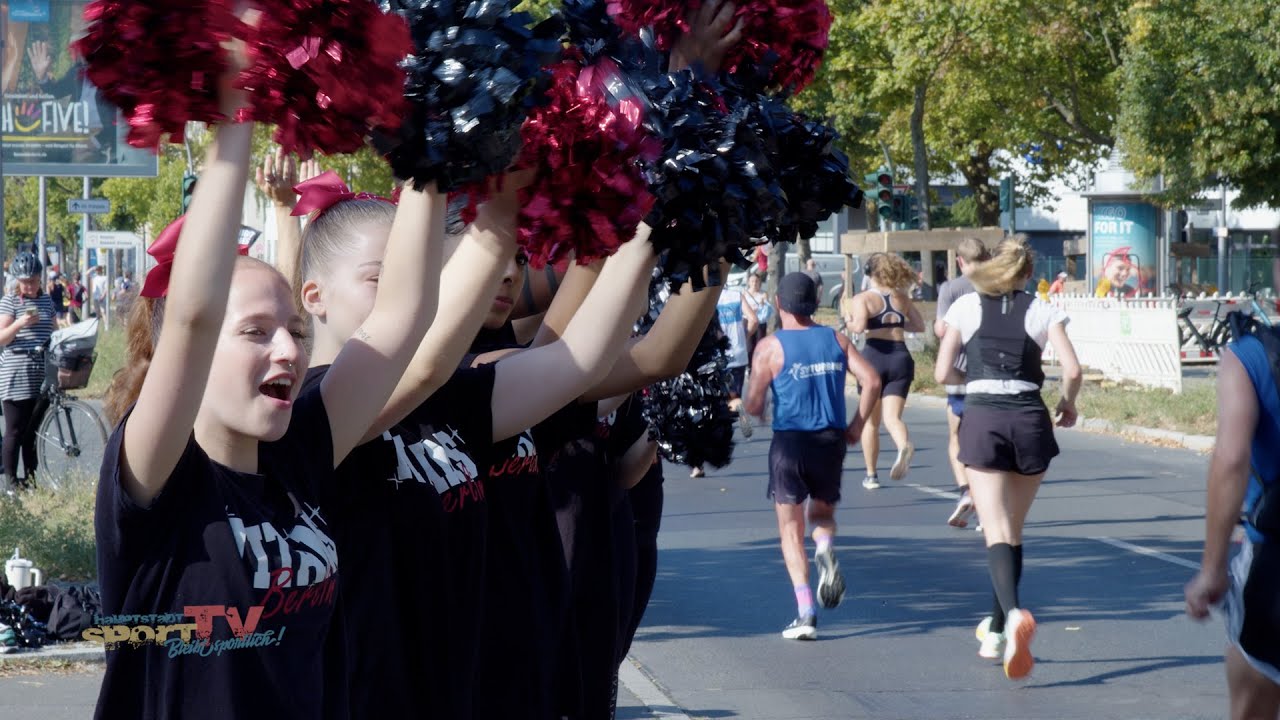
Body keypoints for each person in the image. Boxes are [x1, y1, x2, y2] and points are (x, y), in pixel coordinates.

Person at [93, 57, 447, 719]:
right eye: (255, 332)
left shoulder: (302, 452)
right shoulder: (156, 481)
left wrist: (434, 148)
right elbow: (196, 316)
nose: (289, 346)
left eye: (293, 327)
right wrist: (234, 105)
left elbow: (406, 318)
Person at [934, 236, 1081, 680]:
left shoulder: (966, 307)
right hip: (1030, 418)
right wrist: (1068, 403)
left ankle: (1013, 614)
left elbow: (942, 372)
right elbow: (1072, 370)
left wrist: (973, 375)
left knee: (995, 529)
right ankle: (996, 630)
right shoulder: (1042, 310)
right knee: (1013, 531)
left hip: (983, 416)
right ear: (1026, 273)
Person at [743, 272, 879, 640]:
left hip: (790, 444)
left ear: (779, 304)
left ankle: (806, 613)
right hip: (830, 441)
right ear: (815, 303)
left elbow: (754, 404)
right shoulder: (836, 338)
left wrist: (752, 409)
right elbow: (873, 381)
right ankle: (825, 548)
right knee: (821, 516)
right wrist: (856, 426)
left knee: (790, 530)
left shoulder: (770, 346)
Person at [1185, 261, 1280, 719]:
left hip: (1275, 562)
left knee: (1253, 698)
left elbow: (1231, 459)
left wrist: (1212, 568)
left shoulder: (1251, 356)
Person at [845, 252, 924, 489]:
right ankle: (903, 445)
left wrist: (847, 319)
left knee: (871, 422)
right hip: (900, 356)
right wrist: (897, 323)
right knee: (893, 417)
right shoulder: (902, 298)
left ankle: (871, 475)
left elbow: (858, 328)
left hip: (874, 357)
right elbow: (919, 325)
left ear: (871, 275)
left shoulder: (863, 299)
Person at [933, 237, 990, 527]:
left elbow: (941, 329)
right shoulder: (999, 284)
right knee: (987, 442)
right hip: (993, 374)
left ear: (960, 261)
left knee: (957, 437)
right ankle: (986, 508)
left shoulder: (951, 289)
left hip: (959, 373)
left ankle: (967, 491)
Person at [0, 252, 56, 492]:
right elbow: (1, 338)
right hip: (16, 373)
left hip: (41, 372)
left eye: (33, 280)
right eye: (25, 282)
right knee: (14, 430)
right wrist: (20, 323)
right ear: (17, 281)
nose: (30, 286)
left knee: (33, 431)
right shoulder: (9, 302)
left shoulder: (47, 301)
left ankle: (31, 480)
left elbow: (55, 330)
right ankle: (11, 484)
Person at [743, 271, 773, 359]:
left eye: (756, 281)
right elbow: (741, 309)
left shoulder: (763, 294)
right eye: (752, 281)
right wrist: (751, 309)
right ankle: (749, 365)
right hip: (747, 321)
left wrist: (762, 305)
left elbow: (766, 310)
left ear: (759, 282)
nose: (754, 283)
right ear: (748, 282)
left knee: (760, 343)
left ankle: (759, 362)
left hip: (760, 322)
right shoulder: (744, 293)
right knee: (749, 344)